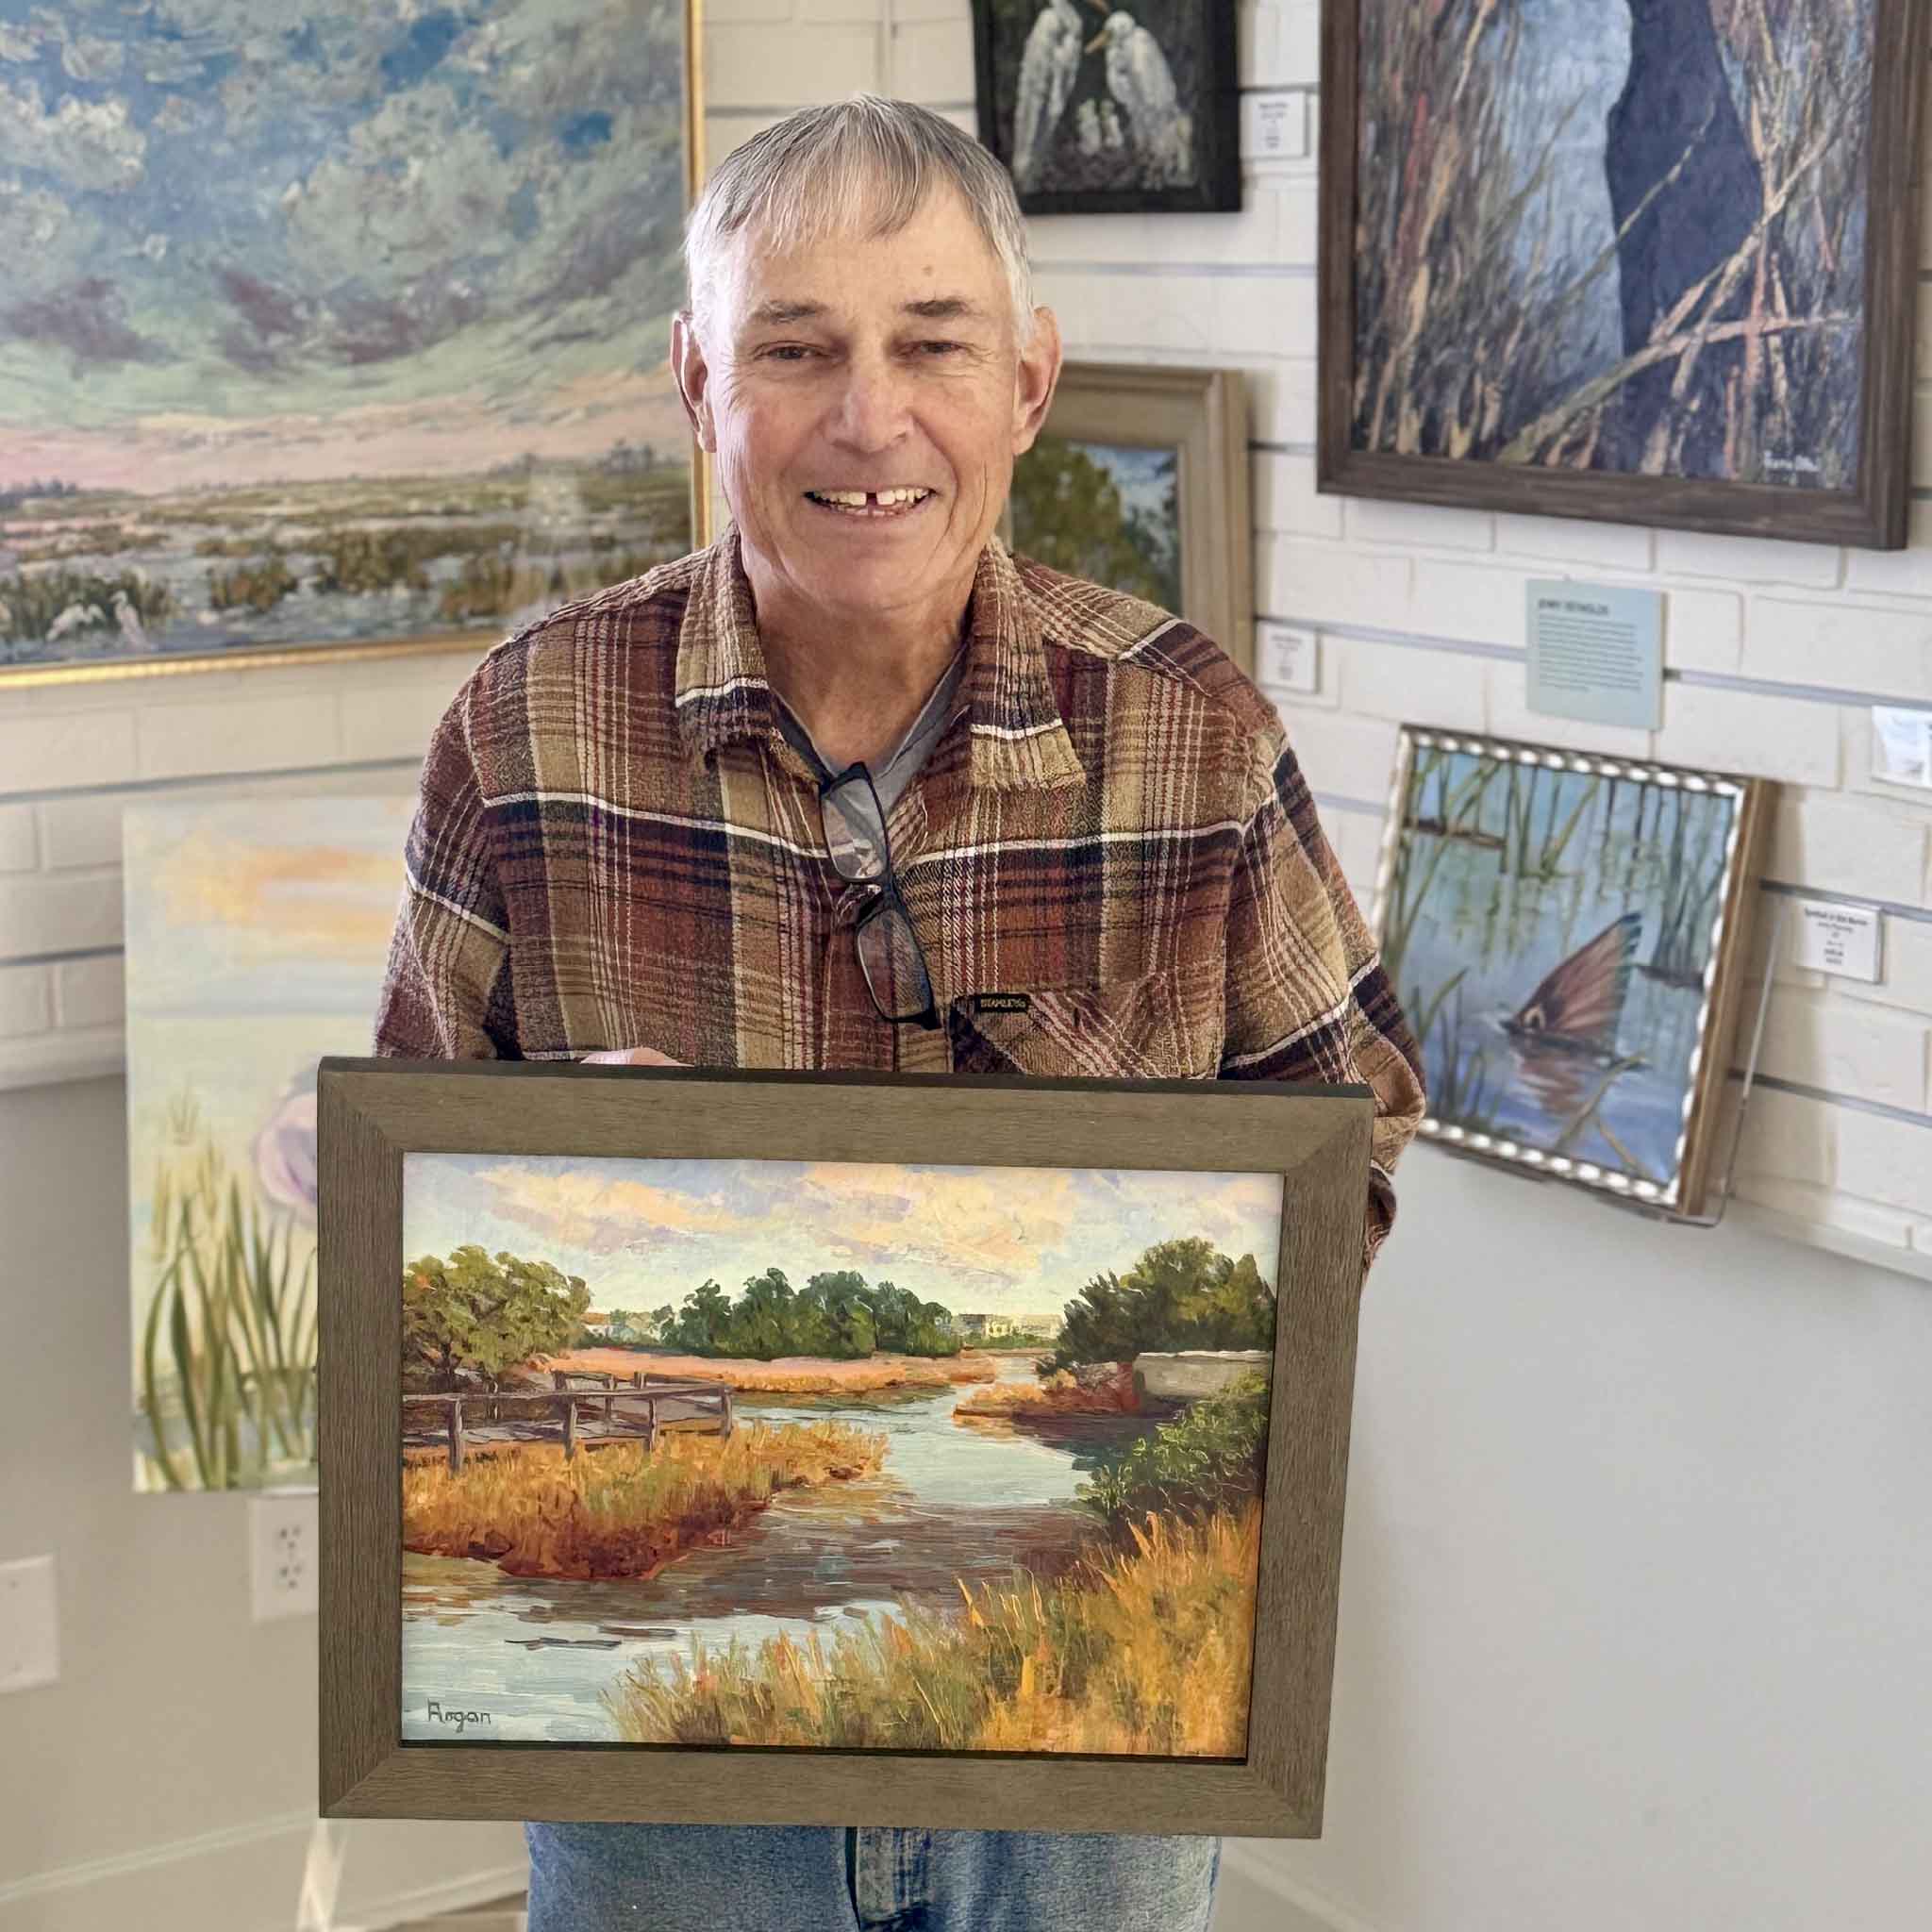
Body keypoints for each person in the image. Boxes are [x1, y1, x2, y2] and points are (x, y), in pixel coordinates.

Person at [375, 92, 1424, 1932]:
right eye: (796, 349)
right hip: (663, 1771)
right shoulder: (527, 730)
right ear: (697, 384)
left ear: (1026, 383)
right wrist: (478, 1172)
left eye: (930, 343)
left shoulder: (1190, 736)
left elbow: (1349, 1136)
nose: (870, 418)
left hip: (1095, 1740)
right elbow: (404, 1167)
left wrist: (1199, 1299)